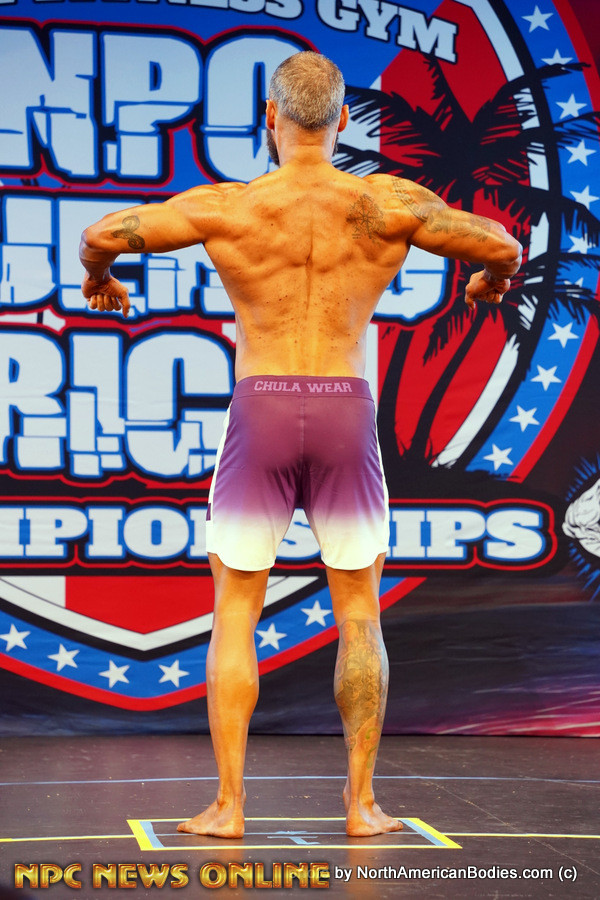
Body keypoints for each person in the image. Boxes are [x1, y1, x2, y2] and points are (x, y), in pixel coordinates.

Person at [79, 51, 522, 838]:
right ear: (344, 120)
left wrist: (99, 279)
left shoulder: (231, 206)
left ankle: (228, 807)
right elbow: (501, 245)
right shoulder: (386, 202)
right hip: (346, 411)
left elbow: (102, 233)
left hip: (263, 409)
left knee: (234, 612)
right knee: (359, 614)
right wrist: (489, 282)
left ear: (270, 119)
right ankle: (362, 806)